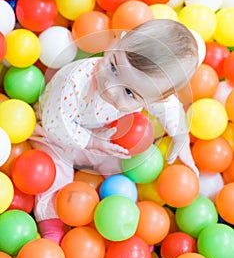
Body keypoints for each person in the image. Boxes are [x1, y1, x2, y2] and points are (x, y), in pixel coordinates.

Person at [30, 19, 199, 244]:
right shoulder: (77, 80)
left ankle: (116, 221)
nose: (111, 86)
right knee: (53, 172)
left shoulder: (149, 90)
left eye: (129, 93)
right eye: (113, 66)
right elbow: (55, 123)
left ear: (154, 98)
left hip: (100, 134)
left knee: (120, 167)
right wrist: (90, 141)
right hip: (54, 133)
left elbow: (169, 109)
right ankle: (52, 226)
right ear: (114, 44)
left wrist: (180, 136)